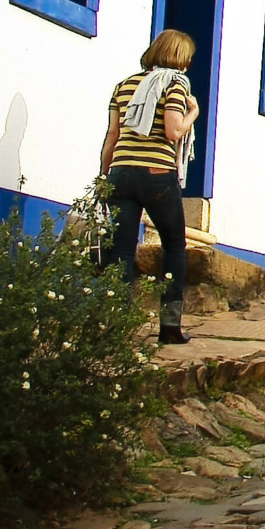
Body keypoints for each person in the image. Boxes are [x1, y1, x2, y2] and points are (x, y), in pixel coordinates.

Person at [101, 30, 201, 346]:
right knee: (174, 245)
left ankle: (115, 325)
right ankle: (169, 326)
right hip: (157, 173)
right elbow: (173, 131)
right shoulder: (175, 84)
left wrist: (105, 176)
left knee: (121, 250)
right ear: (180, 58)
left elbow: (113, 135)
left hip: (121, 172)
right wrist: (193, 114)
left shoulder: (124, 85)